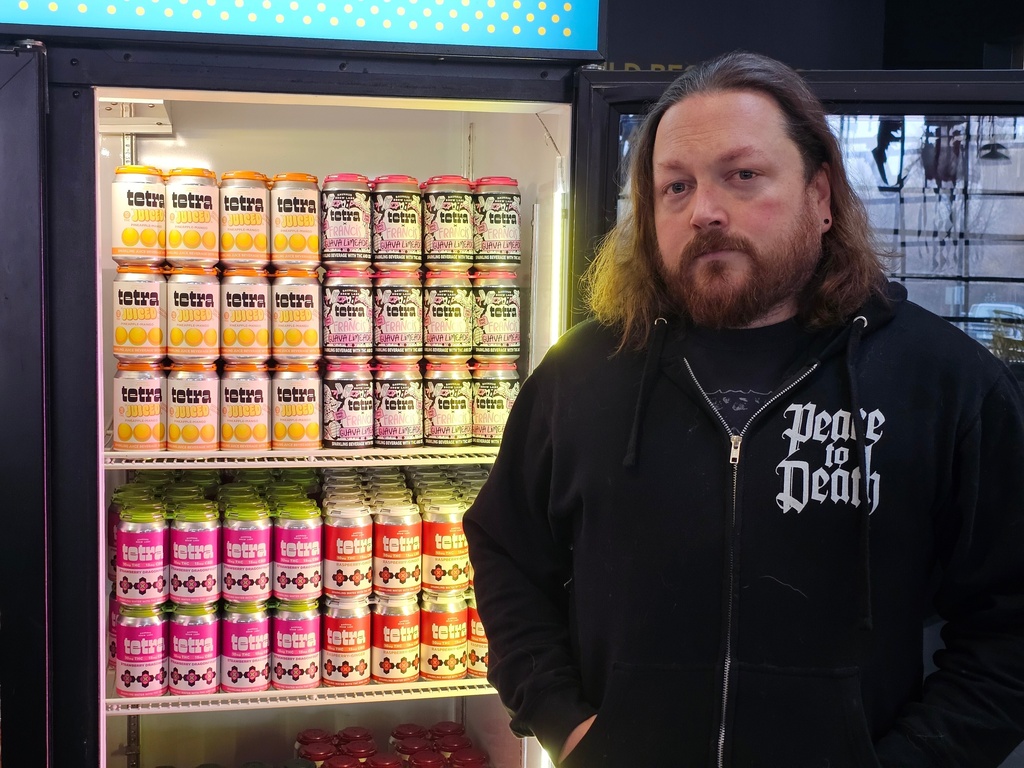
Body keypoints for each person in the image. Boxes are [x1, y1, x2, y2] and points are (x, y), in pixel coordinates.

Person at [463, 51, 1024, 768]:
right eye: (675, 187)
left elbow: (1009, 627)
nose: (704, 211)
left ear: (821, 195)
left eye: (743, 175)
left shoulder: (945, 382)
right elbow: (507, 551)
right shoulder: (581, 373)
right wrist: (564, 724)